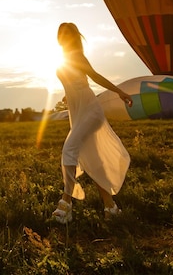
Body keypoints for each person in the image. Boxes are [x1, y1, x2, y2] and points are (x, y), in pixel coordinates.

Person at [53, 22, 133, 224]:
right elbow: (74, 82)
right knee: (95, 161)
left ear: (74, 37)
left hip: (90, 111)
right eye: (60, 33)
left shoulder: (78, 56)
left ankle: (66, 204)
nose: (64, 37)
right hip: (78, 112)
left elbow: (95, 76)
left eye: (67, 34)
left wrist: (120, 92)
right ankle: (110, 207)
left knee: (69, 149)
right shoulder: (62, 59)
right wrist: (67, 95)